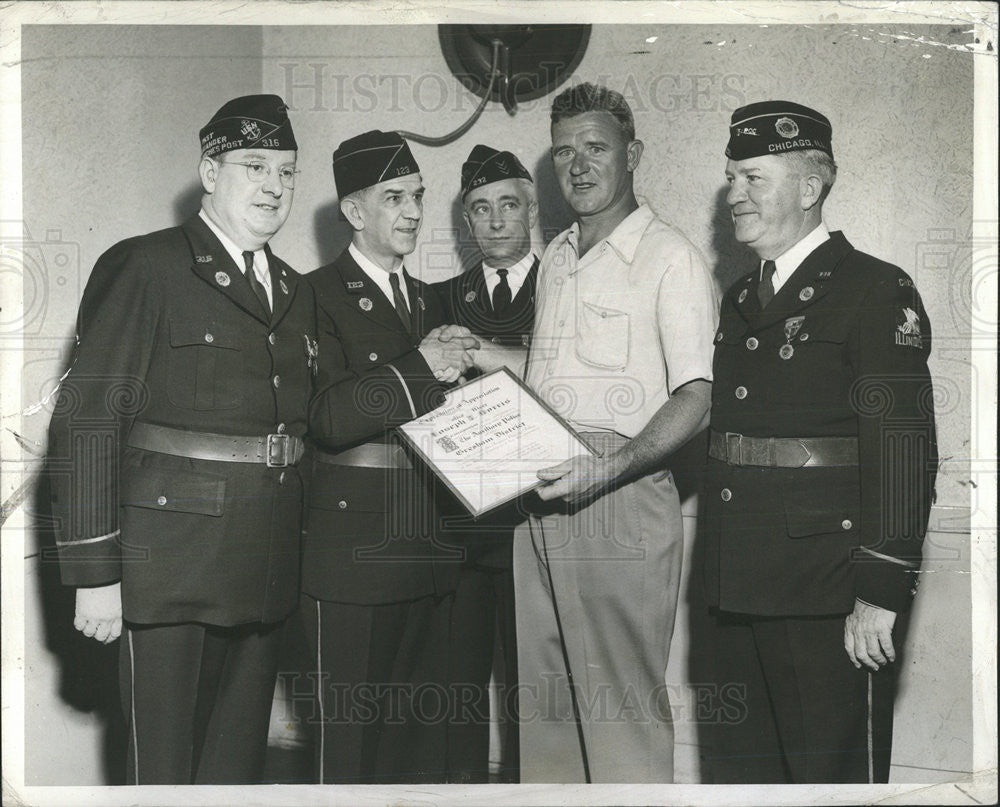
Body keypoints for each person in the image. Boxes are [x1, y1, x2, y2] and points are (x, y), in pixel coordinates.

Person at [46, 95, 313, 784]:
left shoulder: (291, 289)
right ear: (210, 171)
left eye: (287, 171)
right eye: (255, 166)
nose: (274, 187)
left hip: (262, 564)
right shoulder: (148, 266)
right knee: (160, 771)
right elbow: (88, 419)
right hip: (168, 566)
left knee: (234, 770)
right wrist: (96, 575)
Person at [702, 100, 937, 783]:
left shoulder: (873, 290)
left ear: (810, 187)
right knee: (749, 782)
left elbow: (903, 449)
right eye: (730, 177)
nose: (734, 194)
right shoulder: (743, 296)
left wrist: (881, 588)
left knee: (831, 779)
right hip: (737, 586)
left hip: (828, 591)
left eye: (752, 177)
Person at [513, 83, 719, 783]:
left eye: (595, 148)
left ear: (633, 154)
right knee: (547, 714)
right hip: (536, 492)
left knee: (619, 713)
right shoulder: (556, 259)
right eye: (564, 151)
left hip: (620, 497)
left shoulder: (671, 257)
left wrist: (613, 466)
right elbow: (558, 375)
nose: (577, 165)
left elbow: (698, 393)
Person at [301, 130, 479, 784]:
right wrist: (422, 366)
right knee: (349, 755)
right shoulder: (311, 294)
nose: (412, 211)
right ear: (353, 212)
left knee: (416, 753)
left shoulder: (434, 299)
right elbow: (325, 415)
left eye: (419, 197)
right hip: (353, 557)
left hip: (430, 549)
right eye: (394, 197)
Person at [432, 144, 540, 782]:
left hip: (542, 515)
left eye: (508, 205)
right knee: (456, 685)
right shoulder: (441, 298)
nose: (495, 220)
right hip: (462, 523)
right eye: (480, 209)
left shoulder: (567, 284)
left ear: (530, 210)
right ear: (467, 223)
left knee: (536, 688)